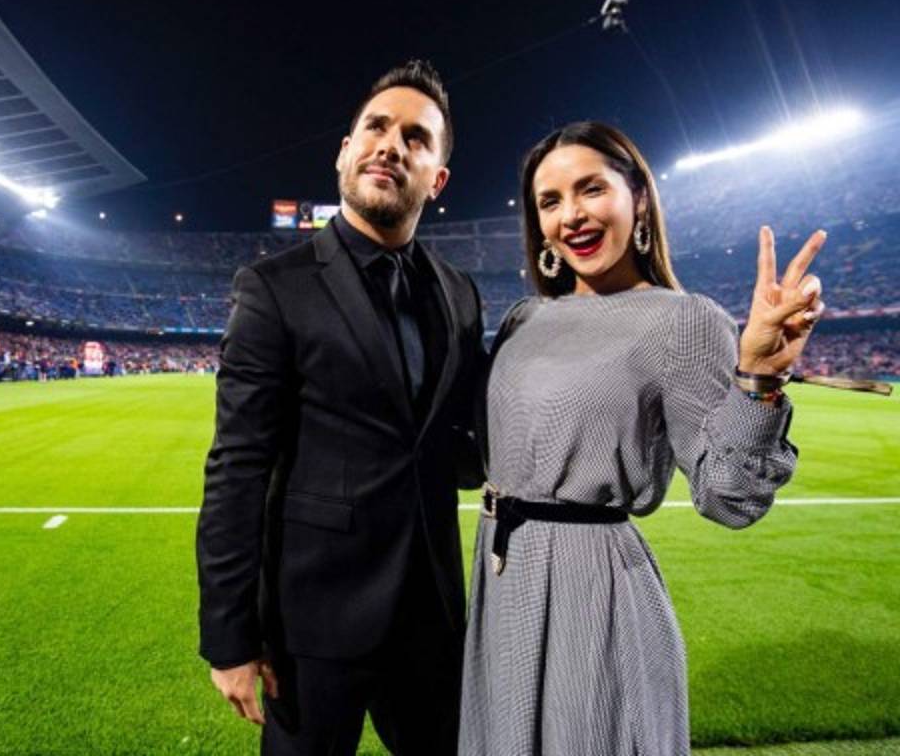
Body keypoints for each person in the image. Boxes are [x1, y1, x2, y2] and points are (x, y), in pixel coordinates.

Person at [459, 121, 824, 755]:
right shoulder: (525, 317)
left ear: (639, 198)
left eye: (591, 189)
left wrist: (761, 378)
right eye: (550, 201)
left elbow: (727, 495)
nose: (571, 214)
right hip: (501, 575)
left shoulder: (684, 320)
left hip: (592, 589)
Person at [197, 60, 485, 754]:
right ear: (345, 152)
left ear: (436, 179)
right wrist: (230, 637)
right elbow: (237, 467)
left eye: (416, 138)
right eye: (376, 127)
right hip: (311, 626)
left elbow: (465, 450)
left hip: (432, 619)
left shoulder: (460, 294)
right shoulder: (274, 288)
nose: (391, 144)